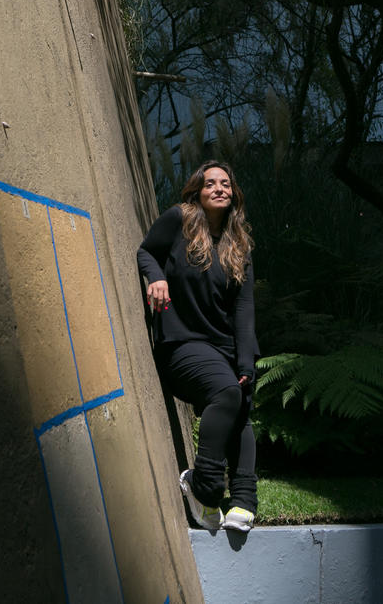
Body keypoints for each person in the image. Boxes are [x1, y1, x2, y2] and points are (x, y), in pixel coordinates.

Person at [137, 160, 258, 532]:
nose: (219, 188)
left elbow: (243, 309)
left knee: (239, 404)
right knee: (226, 392)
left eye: (226, 183)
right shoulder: (180, 219)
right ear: (197, 190)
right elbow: (146, 251)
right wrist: (156, 278)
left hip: (223, 347)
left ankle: (242, 500)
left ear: (233, 193)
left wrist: (246, 363)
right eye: (210, 183)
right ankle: (203, 484)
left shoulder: (239, 243)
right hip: (182, 342)